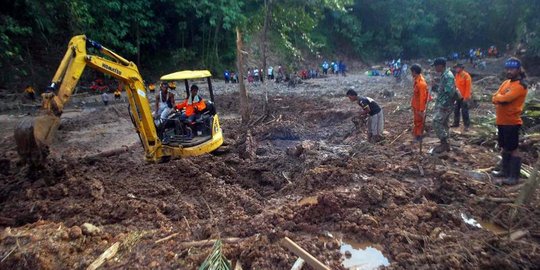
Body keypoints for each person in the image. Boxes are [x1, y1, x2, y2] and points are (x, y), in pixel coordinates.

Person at [491, 57, 528, 185]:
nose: (509, 71)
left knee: (513, 149)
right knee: (504, 147)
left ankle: (514, 177)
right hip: (501, 121)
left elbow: (506, 98)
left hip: (512, 122)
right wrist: (498, 98)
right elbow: (495, 97)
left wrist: (499, 98)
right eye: (508, 69)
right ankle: (504, 171)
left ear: (518, 70)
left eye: (512, 69)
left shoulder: (520, 86)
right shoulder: (506, 83)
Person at [431, 57, 456, 153]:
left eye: (435, 66)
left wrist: (443, 105)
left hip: (445, 105)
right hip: (444, 104)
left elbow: (449, 92)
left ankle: (444, 142)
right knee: (444, 124)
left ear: (440, 66)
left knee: (436, 121)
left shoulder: (448, 76)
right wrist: (435, 86)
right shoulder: (444, 75)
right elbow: (443, 90)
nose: (435, 69)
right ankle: (446, 145)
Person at [410, 64, 429, 142]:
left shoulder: (421, 84)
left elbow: (422, 98)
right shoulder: (417, 80)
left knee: (419, 121)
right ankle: (416, 133)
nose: (411, 74)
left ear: (414, 72)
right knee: (416, 121)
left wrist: (421, 110)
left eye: (412, 72)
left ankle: (419, 136)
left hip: (419, 106)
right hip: (415, 105)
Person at [452, 63, 472, 130]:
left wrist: (466, 97)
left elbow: (468, 88)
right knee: (456, 110)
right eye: (455, 68)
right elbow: (456, 85)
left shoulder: (466, 76)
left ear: (461, 68)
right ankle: (456, 123)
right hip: (457, 96)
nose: (456, 69)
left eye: (457, 68)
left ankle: (466, 125)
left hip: (464, 97)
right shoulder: (457, 75)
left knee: (464, 111)